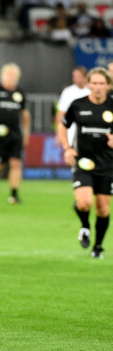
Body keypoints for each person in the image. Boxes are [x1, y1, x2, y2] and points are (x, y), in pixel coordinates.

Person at [57, 67, 113, 259]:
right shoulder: (78, 105)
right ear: (89, 84)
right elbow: (62, 125)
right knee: (84, 202)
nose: (97, 87)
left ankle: (97, 247)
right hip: (83, 162)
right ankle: (85, 226)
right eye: (94, 83)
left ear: (108, 85)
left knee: (103, 208)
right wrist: (67, 148)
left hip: (108, 165)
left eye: (101, 83)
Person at [0, 63, 31, 204]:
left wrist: (26, 133)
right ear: (3, 76)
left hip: (16, 134)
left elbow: (25, 115)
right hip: (1, 134)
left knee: (16, 163)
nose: (11, 78)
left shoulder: (20, 93)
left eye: (14, 76)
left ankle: (14, 195)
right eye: (9, 75)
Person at [54, 66, 90, 146]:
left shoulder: (91, 90)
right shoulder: (68, 92)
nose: (75, 78)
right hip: (72, 130)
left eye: (78, 76)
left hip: (89, 128)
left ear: (85, 77)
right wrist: (58, 133)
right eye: (74, 76)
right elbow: (61, 113)